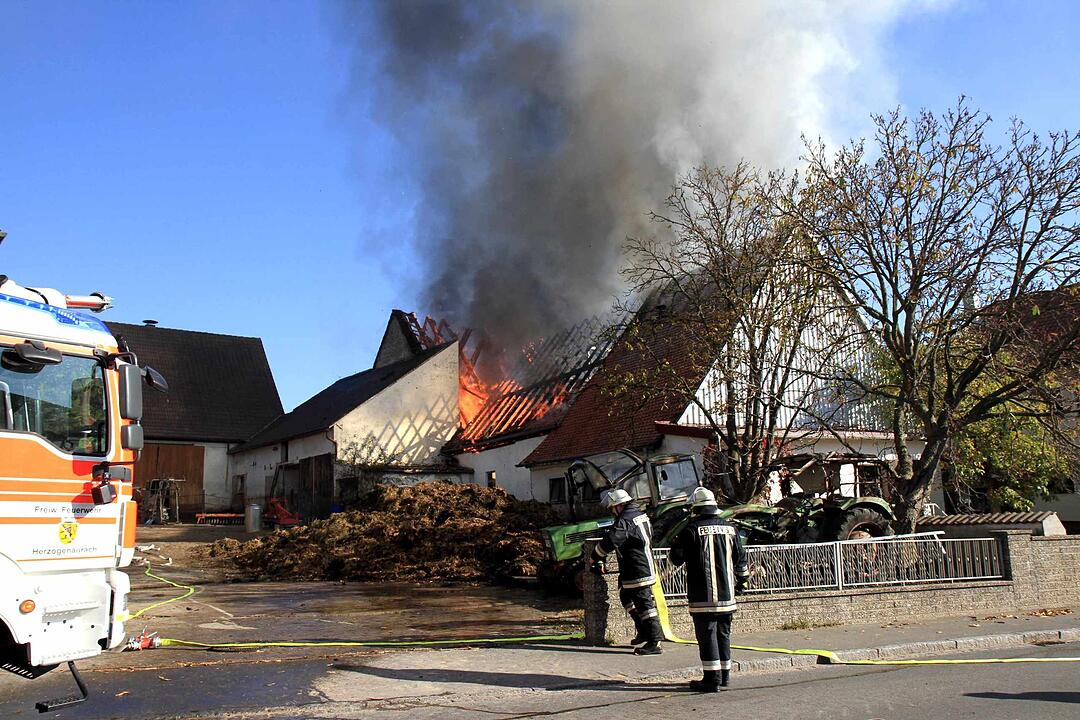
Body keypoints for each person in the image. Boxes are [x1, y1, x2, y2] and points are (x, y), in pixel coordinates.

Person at [670, 487, 749, 692]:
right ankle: (724, 677)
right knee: (723, 634)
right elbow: (741, 560)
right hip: (727, 596)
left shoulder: (691, 530)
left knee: (707, 636)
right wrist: (742, 582)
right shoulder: (731, 529)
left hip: (702, 596)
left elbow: (676, 558)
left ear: (696, 509)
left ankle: (711, 680)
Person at [590, 488, 663, 655]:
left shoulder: (626, 520)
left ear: (619, 505)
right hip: (638, 566)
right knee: (626, 597)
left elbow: (612, 539)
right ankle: (643, 630)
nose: (612, 511)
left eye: (612, 508)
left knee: (645, 605)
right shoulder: (638, 515)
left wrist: (595, 555)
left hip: (637, 569)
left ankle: (654, 640)